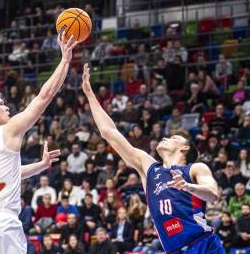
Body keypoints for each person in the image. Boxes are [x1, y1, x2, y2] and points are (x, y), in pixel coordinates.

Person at [81, 63, 224, 253]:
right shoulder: (149, 168)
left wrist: (189, 187)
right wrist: (90, 94)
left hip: (204, 244)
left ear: (184, 148)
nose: (165, 138)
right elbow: (109, 132)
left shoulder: (195, 169)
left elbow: (212, 193)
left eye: (173, 137)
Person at [0, 32, 77, 254]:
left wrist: (41, 166)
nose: (6, 107)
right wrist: (65, 60)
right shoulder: (9, 130)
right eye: (0, 104)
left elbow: (6, 173)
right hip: (1, 221)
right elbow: (44, 97)